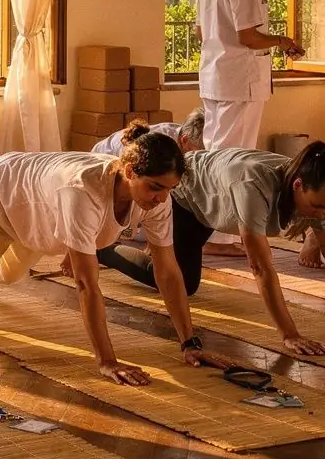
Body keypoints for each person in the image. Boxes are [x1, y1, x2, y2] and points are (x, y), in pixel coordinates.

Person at [0, 130, 208, 387]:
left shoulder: (157, 199)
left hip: (35, 215)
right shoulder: (83, 192)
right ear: (128, 171)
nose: (162, 197)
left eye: (169, 189)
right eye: (155, 187)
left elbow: (167, 271)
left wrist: (189, 342)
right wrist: (107, 361)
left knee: (10, 276)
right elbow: (86, 285)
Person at [99, 141, 325, 359]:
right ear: (297, 185)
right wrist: (290, 334)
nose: (321, 214)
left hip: (210, 204)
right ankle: (104, 249)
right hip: (185, 197)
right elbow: (261, 268)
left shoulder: (316, 190)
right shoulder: (254, 187)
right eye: (316, 207)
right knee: (178, 279)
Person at [195, 0, 304, 254]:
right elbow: (248, 37)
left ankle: (214, 231)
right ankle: (219, 235)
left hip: (216, 74)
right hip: (239, 81)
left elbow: (201, 31)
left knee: (215, 152)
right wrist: (282, 41)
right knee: (232, 157)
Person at [92, 107, 205, 157]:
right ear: (184, 140)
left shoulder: (187, 133)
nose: (199, 157)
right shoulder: (159, 144)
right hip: (104, 159)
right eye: (198, 153)